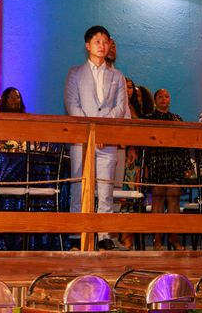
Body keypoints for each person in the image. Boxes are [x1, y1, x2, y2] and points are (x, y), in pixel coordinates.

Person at [64, 25, 129, 251]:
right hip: (82, 140)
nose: (102, 45)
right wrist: (92, 132)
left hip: (107, 140)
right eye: (97, 41)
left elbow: (120, 107)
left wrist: (102, 131)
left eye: (105, 41)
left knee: (105, 189)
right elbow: (72, 105)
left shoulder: (117, 76)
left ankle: (104, 235)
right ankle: (77, 235)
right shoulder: (75, 73)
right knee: (79, 187)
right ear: (87, 45)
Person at [145, 89, 193, 250]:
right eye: (160, 97)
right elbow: (144, 145)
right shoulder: (149, 119)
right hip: (156, 162)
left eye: (166, 96)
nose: (164, 99)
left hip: (174, 163)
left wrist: (187, 166)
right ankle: (157, 240)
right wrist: (144, 166)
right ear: (155, 100)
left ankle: (174, 238)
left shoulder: (177, 119)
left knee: (174, 199)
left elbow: (183, 145)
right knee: (157, 199)